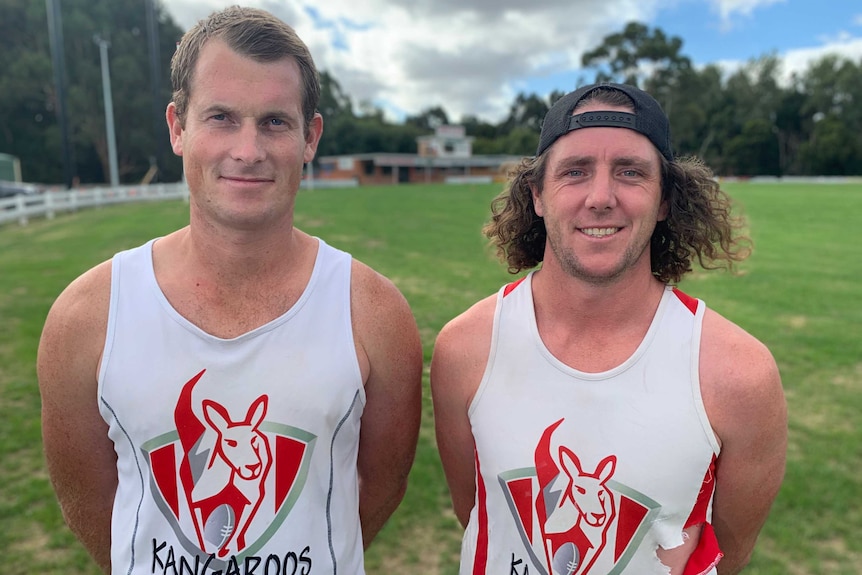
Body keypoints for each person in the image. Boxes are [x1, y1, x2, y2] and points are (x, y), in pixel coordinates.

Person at [37, 6, 422, 574]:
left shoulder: (373, 312)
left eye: (274, 121)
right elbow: (89, 502)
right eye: (221, 117)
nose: (247, 151)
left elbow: (381, 485)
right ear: (177, 127)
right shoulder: (86, 316)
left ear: (310, 136)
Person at [430, 82, 787, 575]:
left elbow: (728, 554)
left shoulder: (740, 376)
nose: (601, 198)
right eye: (575, 172)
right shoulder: (464, 349)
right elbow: (475, 511)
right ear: (537, 195)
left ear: (665, 200)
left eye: (630, 172)